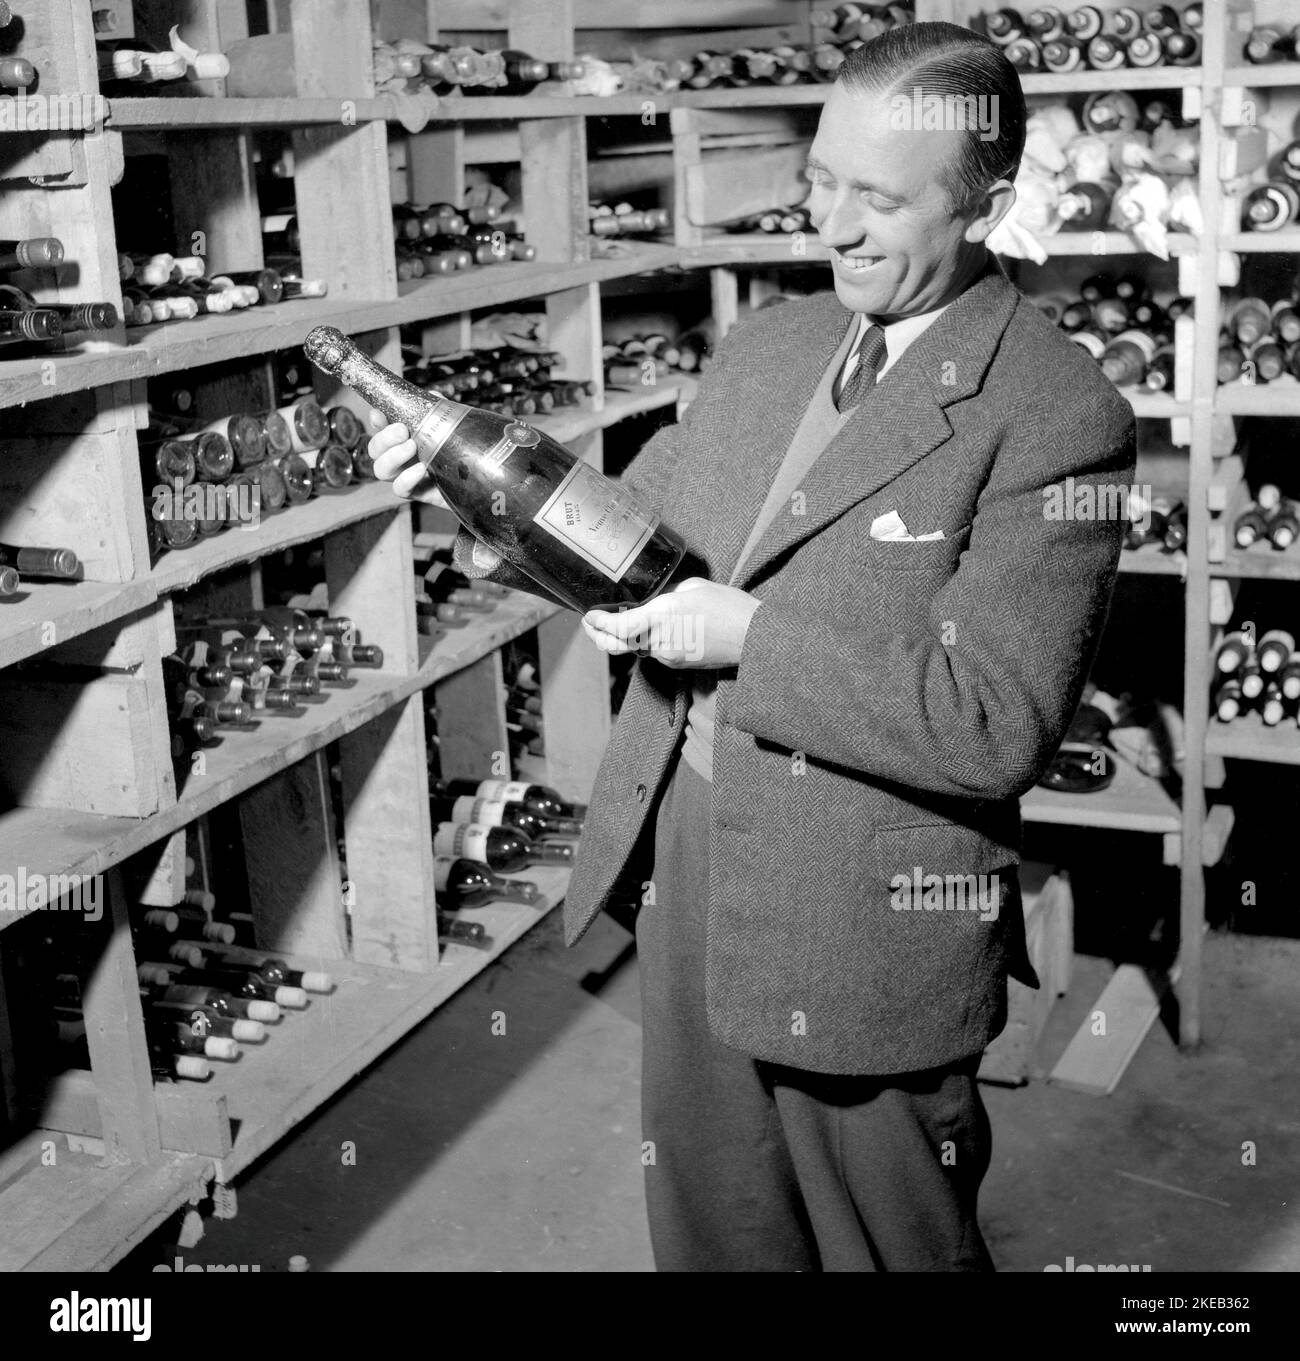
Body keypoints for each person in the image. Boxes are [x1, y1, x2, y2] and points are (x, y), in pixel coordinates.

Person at [368, 21, 1137, 1272]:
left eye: (876, 200)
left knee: (888, 1240)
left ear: (985, 207)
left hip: (861, 907)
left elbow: (995, 718)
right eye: (821, 178)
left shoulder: (1054, 413)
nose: (830, 223)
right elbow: (631, 539)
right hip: (687, 850)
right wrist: (477, 509)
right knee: (717, 1227)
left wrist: (749, 636)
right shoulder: (770, 345)